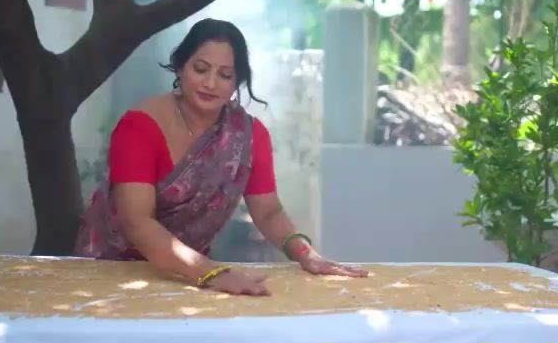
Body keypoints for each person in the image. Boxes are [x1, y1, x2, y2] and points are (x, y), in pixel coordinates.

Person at [75, 18, 368, 296]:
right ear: (180, 67)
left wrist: (307, 255)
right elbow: (137, 221)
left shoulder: (248, 136)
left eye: (225, 75)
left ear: (237, 82)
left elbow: (268, 213)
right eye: (201, 69)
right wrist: (212, 273)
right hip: (112, 271)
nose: (211, 83)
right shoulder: (139, 127)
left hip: (188, 279)